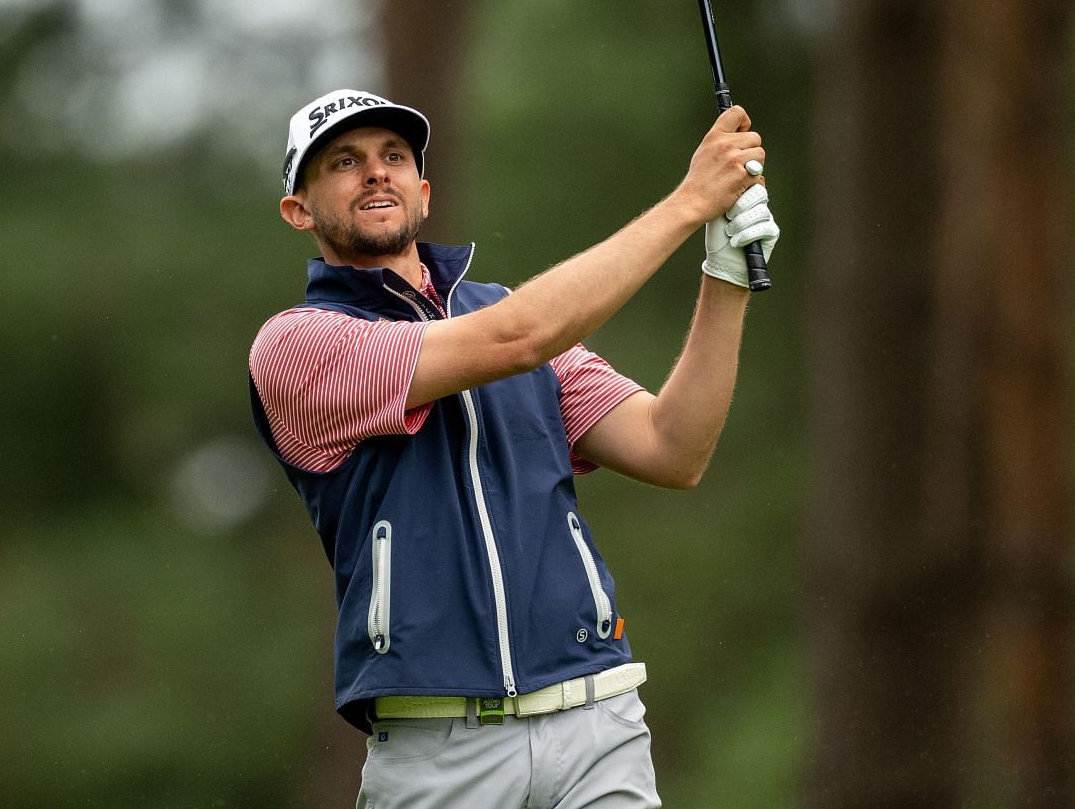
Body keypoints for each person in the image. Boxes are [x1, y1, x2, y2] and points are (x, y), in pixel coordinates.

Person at [248, 87, 779, 808]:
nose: (376, 173)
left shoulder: (504, 313)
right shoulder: (298, 345)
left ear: (423, 192)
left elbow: (671, 448)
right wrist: (688, 203)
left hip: (597, 717)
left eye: (394, 157)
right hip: (438, 751)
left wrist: (725, 275)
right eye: (344, 161)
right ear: (299, 210)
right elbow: (518, 339)